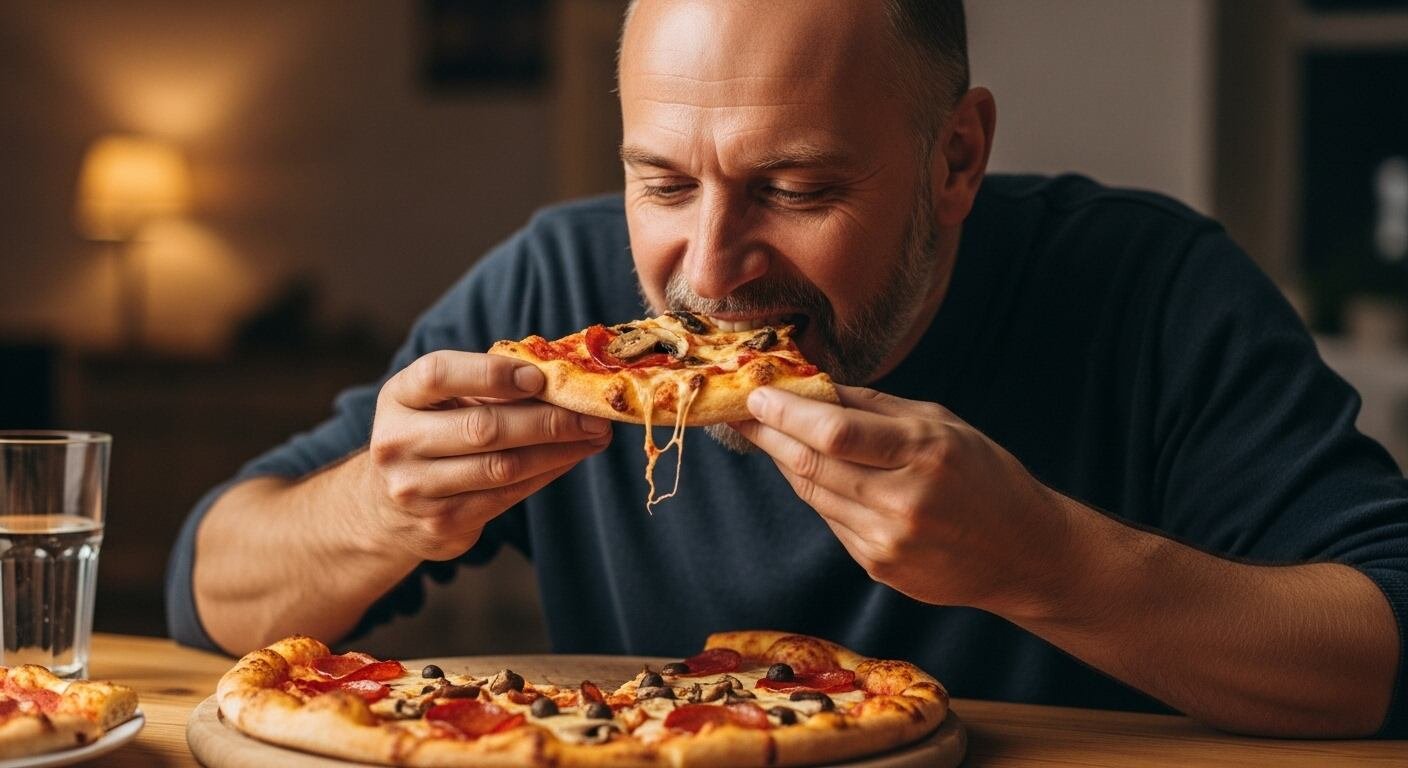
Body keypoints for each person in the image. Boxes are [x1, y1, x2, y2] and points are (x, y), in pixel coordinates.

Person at [166, 0, 1406, 738]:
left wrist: (1048, 563)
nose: (708, 269)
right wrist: (386, 507)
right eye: (659, 182)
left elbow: (1382, 652)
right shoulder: (555, 289)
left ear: (956, 160)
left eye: (797, 188)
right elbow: (208, 586)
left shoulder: (1150, 287)